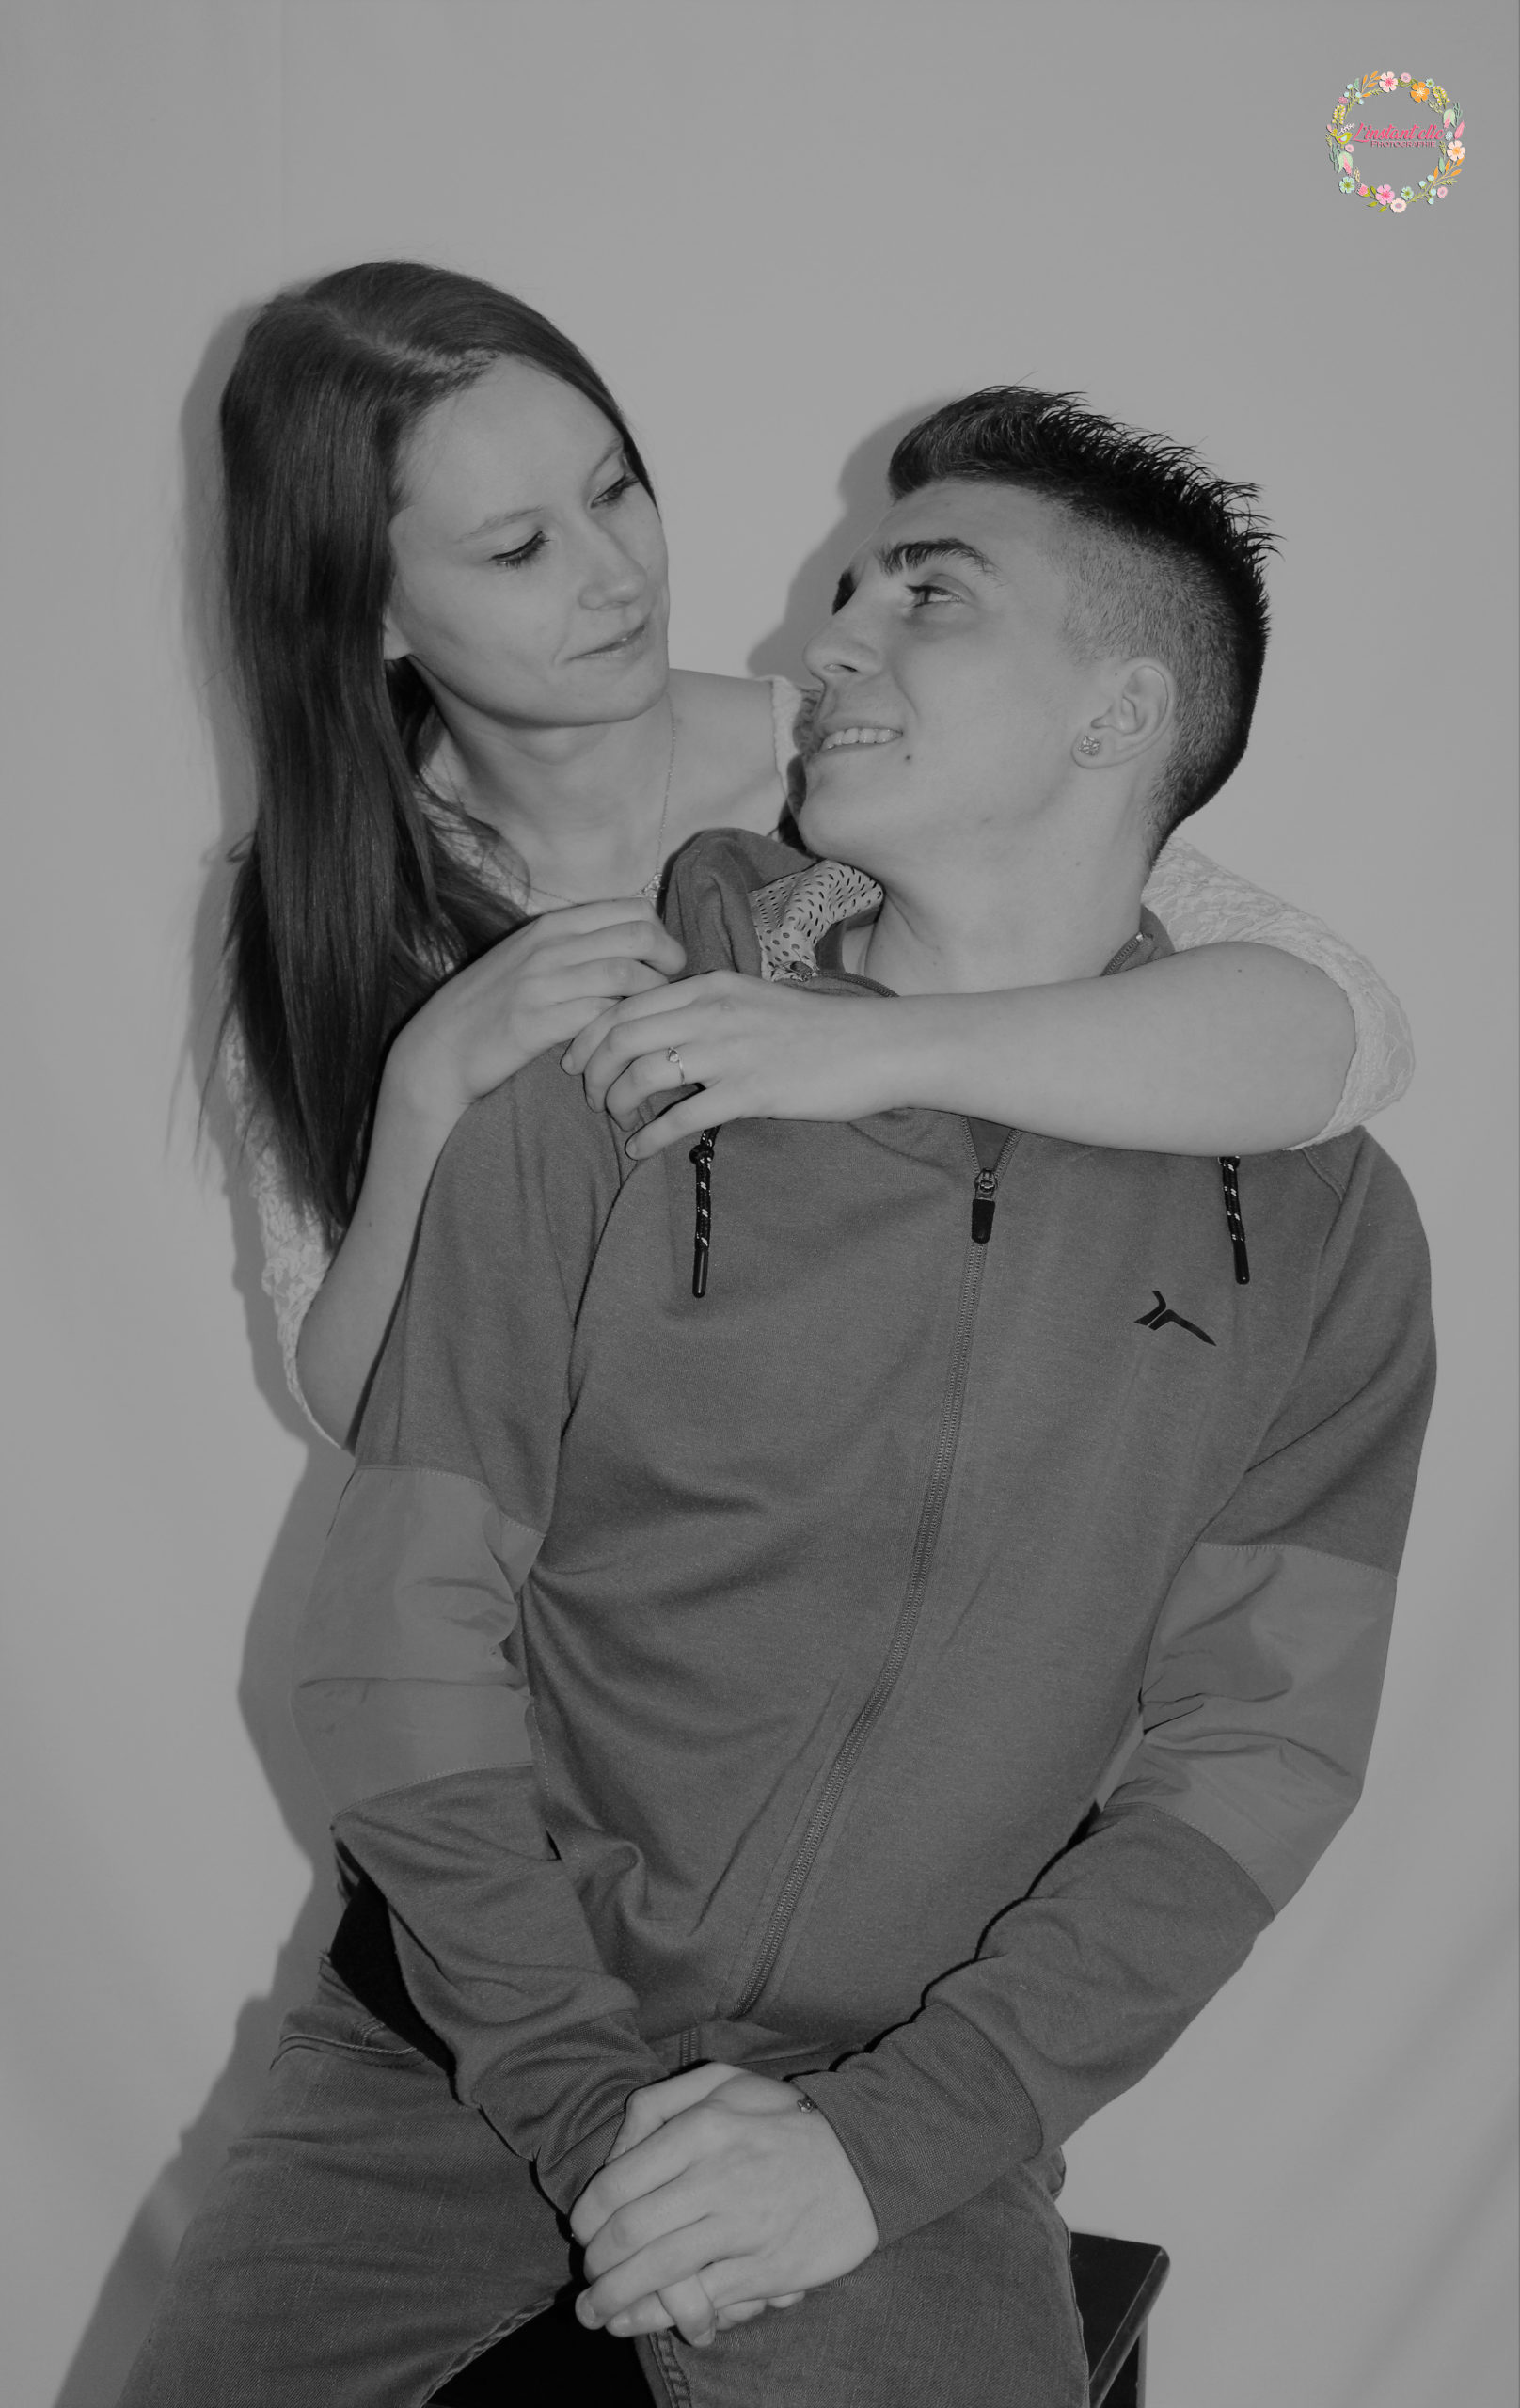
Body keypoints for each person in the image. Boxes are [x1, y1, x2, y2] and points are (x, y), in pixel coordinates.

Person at [125, 387, 1434, 2407]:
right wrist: (586, 2113)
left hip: (891, 2121)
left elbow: (1253, 1764)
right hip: (445, 2059)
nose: (823, 642)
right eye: (842, 593)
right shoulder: (601, 1089)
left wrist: (883, 2147)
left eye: (926, 597)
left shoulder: (1323, 1231)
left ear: (1116, 714)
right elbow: (394, 1644)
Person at [217, 261, 1413, 1445]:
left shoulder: (858, 767)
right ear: (368, 611)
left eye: (614, 489)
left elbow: (1341, 1035)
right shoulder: (331, 914)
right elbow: (369, 1417)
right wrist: (426, 1084)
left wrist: (859, 1045)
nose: (616, 576)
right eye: (519, 550)